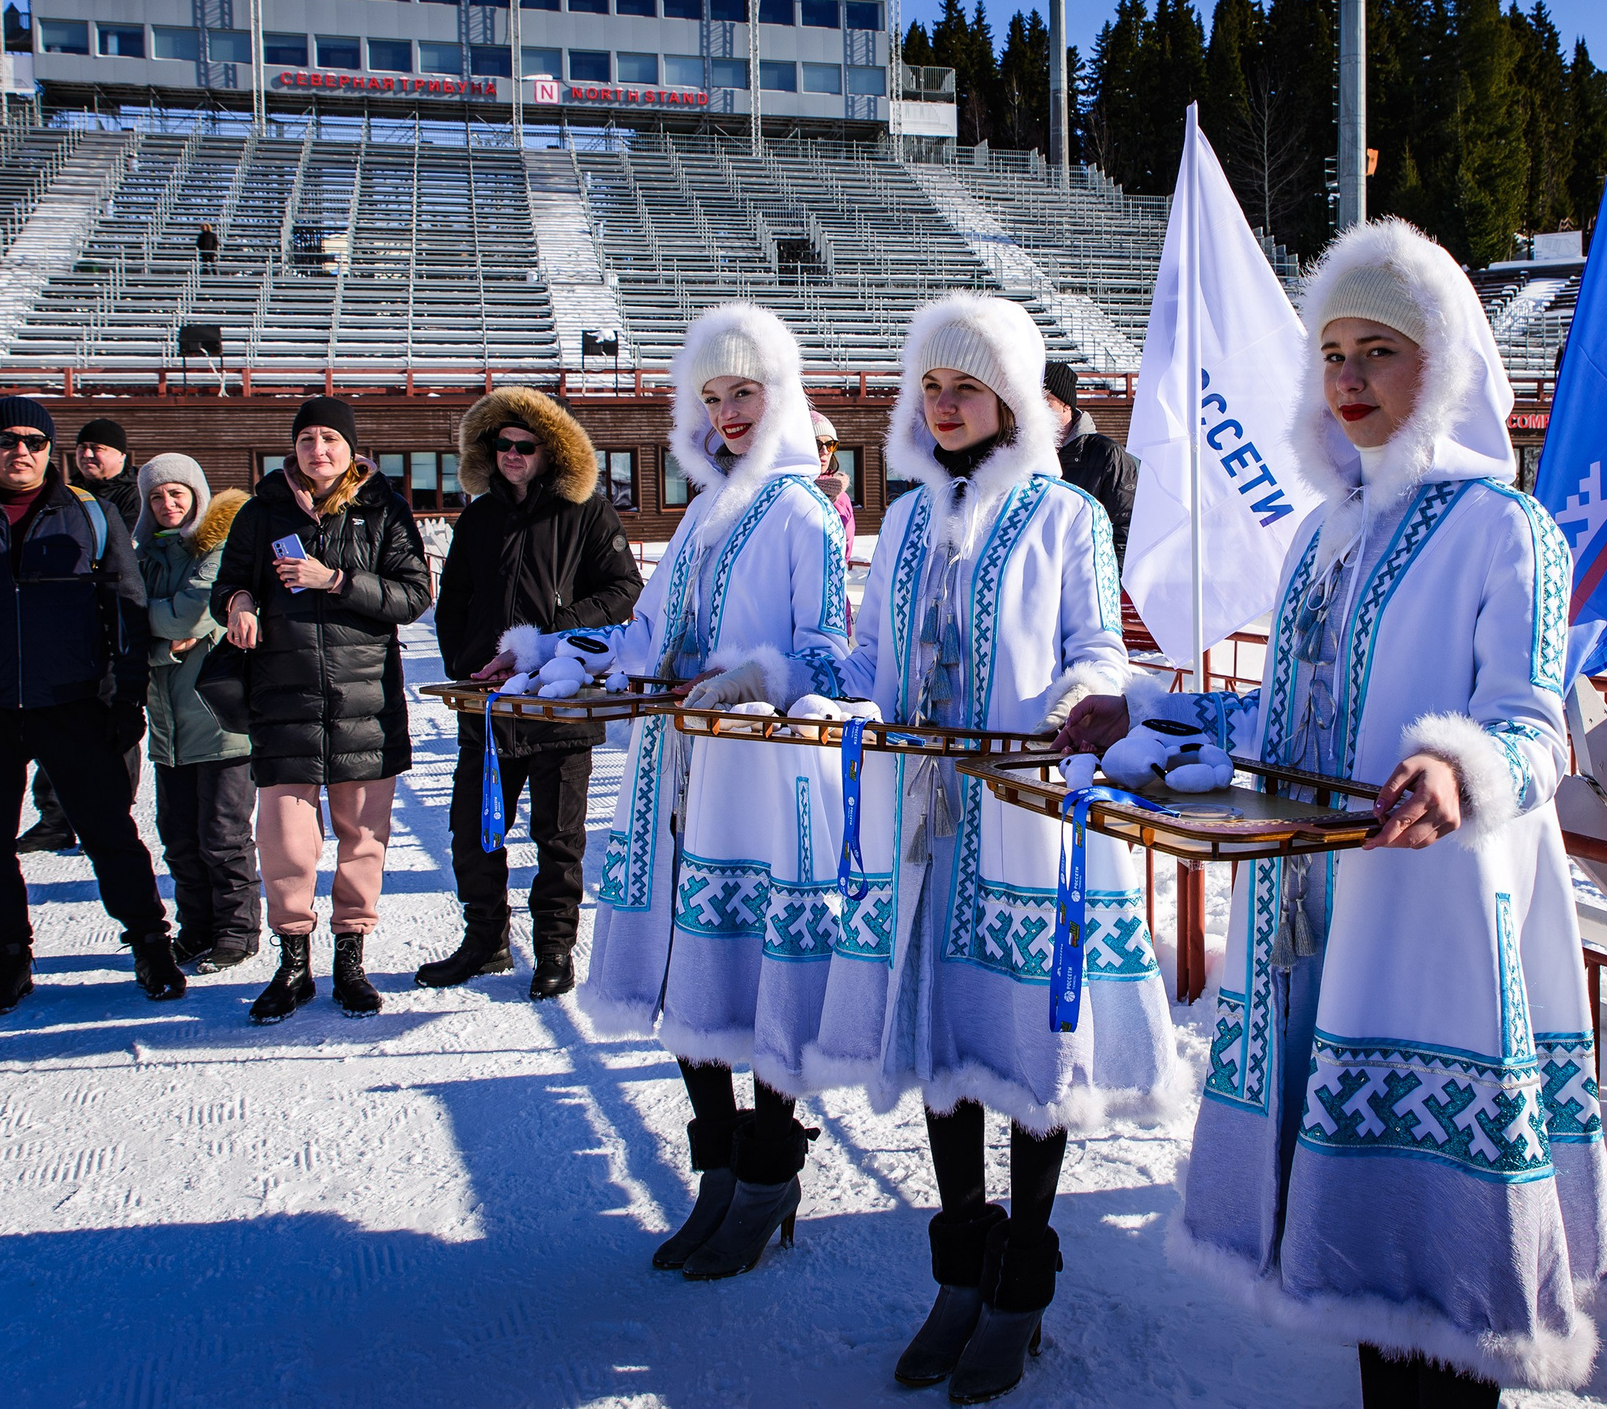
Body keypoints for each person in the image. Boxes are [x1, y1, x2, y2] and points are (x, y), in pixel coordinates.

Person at [1061, 221, 1607, 1406]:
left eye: (1381, 351)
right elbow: (1287, 711)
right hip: (1317, 920)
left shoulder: (1502, 529)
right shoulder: (1320, 533)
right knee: (1364, 1260)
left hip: (1433, 930)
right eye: (1333, 353)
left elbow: (1532, 722)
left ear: (1449, 366)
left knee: (1436, 1272)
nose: (1349, 379)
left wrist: (1459, 772)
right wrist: (1147, 710)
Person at [811, 293, 1167, 1403]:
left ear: (1011, 398)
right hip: (924, 824)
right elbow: (870, 655)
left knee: (1025, 1056)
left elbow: (1096, 650)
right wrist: (815, 684)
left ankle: (1022, 1284)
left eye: (964, 385)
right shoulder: (908, 518)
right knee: (940, 1042)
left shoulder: (1066, 515)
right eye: (930, 384)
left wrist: (1077, 701)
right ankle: (959, 1271)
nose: (944, 402)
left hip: (1023, 820)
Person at [579, 303, 853, 1282]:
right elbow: (649, 632)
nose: (728, 412)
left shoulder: (802, 510)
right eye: (711, 396)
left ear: (779, 396)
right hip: (677, 772)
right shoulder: (701, 507)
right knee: (683, 983)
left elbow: (829, 650)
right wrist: (578, 663)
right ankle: (721, 1167)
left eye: (743, 392)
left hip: (763, 782)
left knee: (762, 986)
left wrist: (760, 677)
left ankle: (770, 1171)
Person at [0, 396, 182, 1014]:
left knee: (109, 833)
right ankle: (9, 955)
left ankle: (150, 942)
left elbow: (127, 611)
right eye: (7, 440)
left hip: (72, 704)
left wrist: (126, 698)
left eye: (35, 442)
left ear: (51, 451)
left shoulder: (90, 517)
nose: (21, 452)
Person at [213, 397, 431, 1025]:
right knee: (284, 841)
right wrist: (241, 601)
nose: (319, 450)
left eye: (330, 437)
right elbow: (227, 581)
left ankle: (351, 959)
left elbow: (413, 596)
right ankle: (292, 964)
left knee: (362, 837)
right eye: (307, 438)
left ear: (351, 447)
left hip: (364, 701)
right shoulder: (260, 512)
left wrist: (333, 580)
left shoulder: (382, 509)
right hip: (282, 698)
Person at [420, 386, 640, 1000]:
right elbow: (454, 602)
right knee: (473, 829)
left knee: (559, 836)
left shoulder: (587, 513)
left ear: (551, 451)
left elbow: (625, 591)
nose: (511, 455)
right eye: (501, 444)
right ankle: (485, 941)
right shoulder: (480, 516)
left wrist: (551, 641)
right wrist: (466, 662)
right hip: (487, 702)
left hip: (559, 700)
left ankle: (554, 950)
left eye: (524, 445)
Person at [133, 456, 259, 974]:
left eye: (178, 494)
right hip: (168, 726)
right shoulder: (143, 557)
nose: (168, 505)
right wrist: (163, 646)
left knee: (223, 834)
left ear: (197, 496)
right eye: (158, 497)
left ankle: (237, 931)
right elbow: (120, 621)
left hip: (221, 722)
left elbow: (188, 611)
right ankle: (196, 928)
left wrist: (150, 628)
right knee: (179, 836)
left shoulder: (216, 549)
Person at [17, 417, 145, 853]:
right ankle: (54, 816)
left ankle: (113, 810)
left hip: (116, 623)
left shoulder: (135, 500)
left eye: (100, 448)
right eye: (84, 448)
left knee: (113, 725)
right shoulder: (62, 498)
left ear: (122, 455)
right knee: (57, 723)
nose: (90, 455)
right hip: (67, 630)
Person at [1044, 359, 1136, 560]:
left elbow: (1125, 526)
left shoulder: (1107, 454)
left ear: (1066, 405)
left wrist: (1111, 582)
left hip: (1089, 575)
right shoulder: (1022, 453)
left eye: (1045, 400)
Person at [809, 410, 856, 548]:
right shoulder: (783, 489)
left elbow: (846, 547)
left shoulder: (841, 497)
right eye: (817, 444)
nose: (825, 451)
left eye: (830, 445)